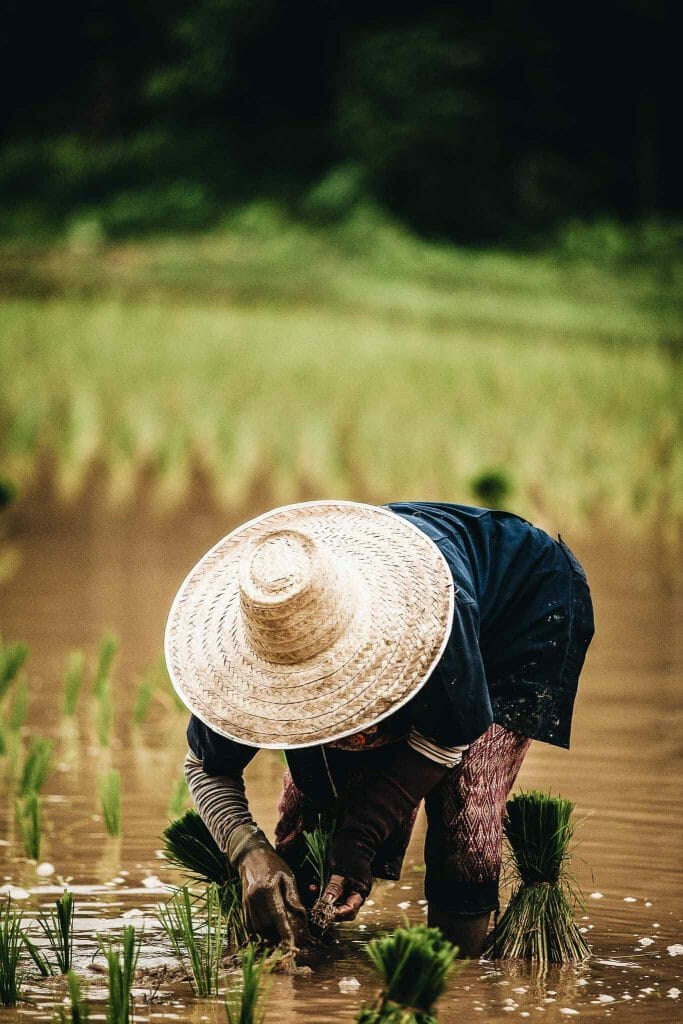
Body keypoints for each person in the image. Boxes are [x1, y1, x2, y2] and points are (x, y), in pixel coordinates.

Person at [165, 500, 594, 957]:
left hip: (518, 608)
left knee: (466, 809)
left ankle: (452, 974)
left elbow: (450, 735)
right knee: (313, 803)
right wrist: (248, 851)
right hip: (390, 609)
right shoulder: (244, 659)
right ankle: (305, 947)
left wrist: (363, 834)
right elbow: (206, 766)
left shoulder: (430, 623)